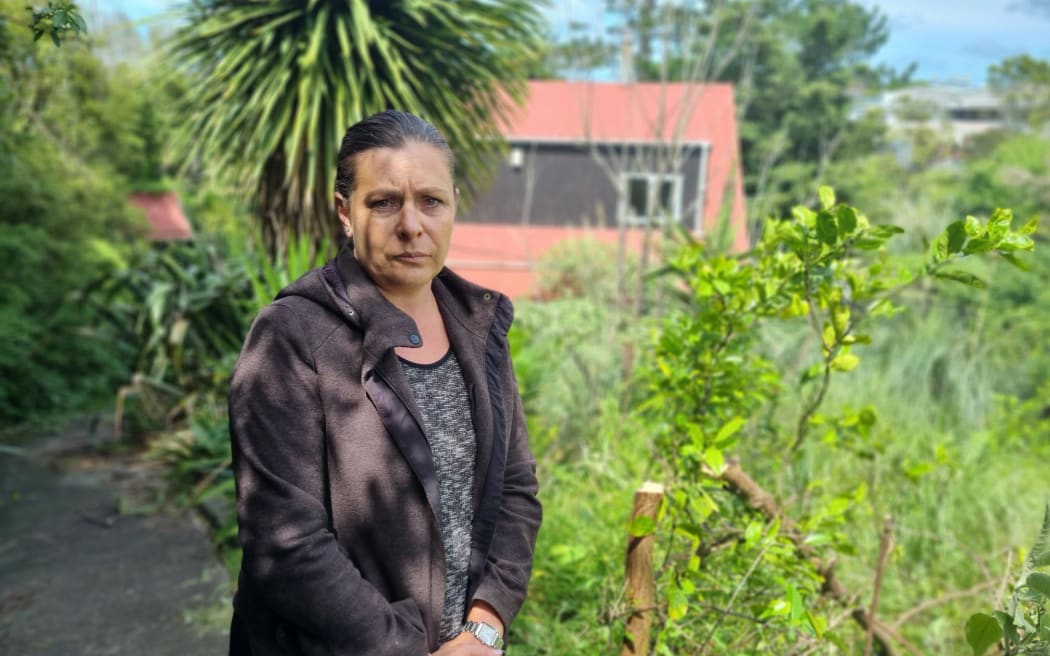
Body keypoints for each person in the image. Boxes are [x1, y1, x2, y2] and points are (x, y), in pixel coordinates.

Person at [227, 110, 542, 656]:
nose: (411, 226)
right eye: (384, 202)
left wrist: (485, 627)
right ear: (344, 212)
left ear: (453, 206)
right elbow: (287, 543)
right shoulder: (292, 336)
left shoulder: (478, 326)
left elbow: (516, 490)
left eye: (431, 201)